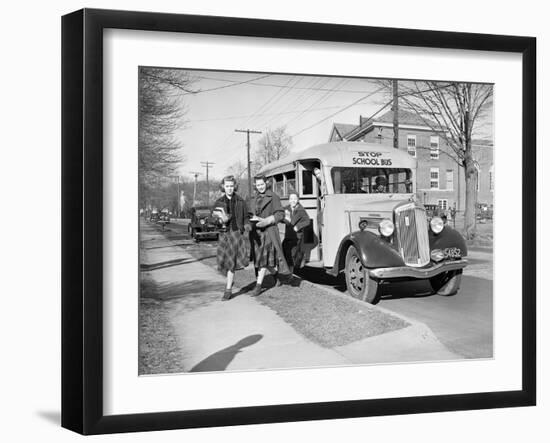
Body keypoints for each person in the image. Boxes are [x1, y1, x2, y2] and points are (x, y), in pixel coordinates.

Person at [249, 175, 290, 296]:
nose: (260, 187)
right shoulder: (253, 198)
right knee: (264, 261)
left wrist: (267, 220)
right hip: (256, 233)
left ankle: (258, 287)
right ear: (255, 186)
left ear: (266, 183)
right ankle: (277, 276)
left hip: (269, 232)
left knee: (262, 260)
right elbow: (250, 213)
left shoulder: (274, 197)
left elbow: (280, 214)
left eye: (262, 184)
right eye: (258, 185)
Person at [212, 175, 251, 301]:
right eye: (227, 186)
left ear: (235, 186)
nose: (229, 188)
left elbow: (246, 217)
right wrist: (219, 220)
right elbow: (211, 218)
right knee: (222, 263)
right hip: (223, 234)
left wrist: (247, 226)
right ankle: (230, 281)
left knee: (231, 263)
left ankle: (228, 290)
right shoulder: (218, 202)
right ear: (223, 187)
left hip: (235, 233)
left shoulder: (241, 201)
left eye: (231, 186)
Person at [282, 193, 310, 272]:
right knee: (284, 251)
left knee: (291, 254)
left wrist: (298, 227)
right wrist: (284, 219)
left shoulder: (301, 210)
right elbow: (281, 216)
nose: (293, 201)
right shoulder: (286, 209)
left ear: (298, 200)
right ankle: (289, 269)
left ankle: (290, 273)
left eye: (295, 199)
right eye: (291, 199)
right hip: (288, 235)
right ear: (289, 200)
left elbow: (307, 221)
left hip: (297, 236)